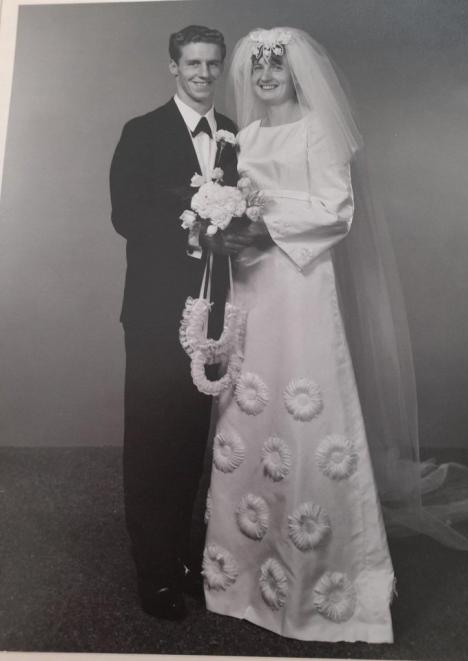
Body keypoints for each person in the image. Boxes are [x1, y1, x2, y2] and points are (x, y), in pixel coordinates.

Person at [202, 27, 396, 642]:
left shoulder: (318, 128)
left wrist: (266, 228)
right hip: (253, 283)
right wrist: (226, 227)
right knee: (251, 405)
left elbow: (336, 207)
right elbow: (237, 199)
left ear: (296, 76)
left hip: (300, 281)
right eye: (257, 71)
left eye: (276, 70)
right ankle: (244, 577)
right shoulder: (249, 135)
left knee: (303, 408)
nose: (264, 79)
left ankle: (323, 576)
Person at [109, 25, 241, 620]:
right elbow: (126, 215)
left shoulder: (237, 135)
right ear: (174, 67)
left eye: (213, 64)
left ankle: (182, 558)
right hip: (156, 310)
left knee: (191, 438)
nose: (203, 74)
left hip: (215, 310)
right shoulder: (142, 131)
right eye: (193, 63)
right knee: (151, 440)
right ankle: (154, 571)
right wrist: (191, 228)